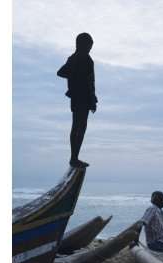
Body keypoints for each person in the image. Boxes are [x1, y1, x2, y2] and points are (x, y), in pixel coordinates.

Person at [57, 32, 98, 168]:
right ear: (81, 44)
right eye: (88, 45)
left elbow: (90, 82)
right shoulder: (80, 59)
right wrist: (76, 78)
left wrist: (92, 98)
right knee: (78, 127)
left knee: (79, 127)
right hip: (81, 98)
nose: (90, 48)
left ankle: (74, 157)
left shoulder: (80, 58)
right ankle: (74, 158)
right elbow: (61, 72)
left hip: (82, 98)